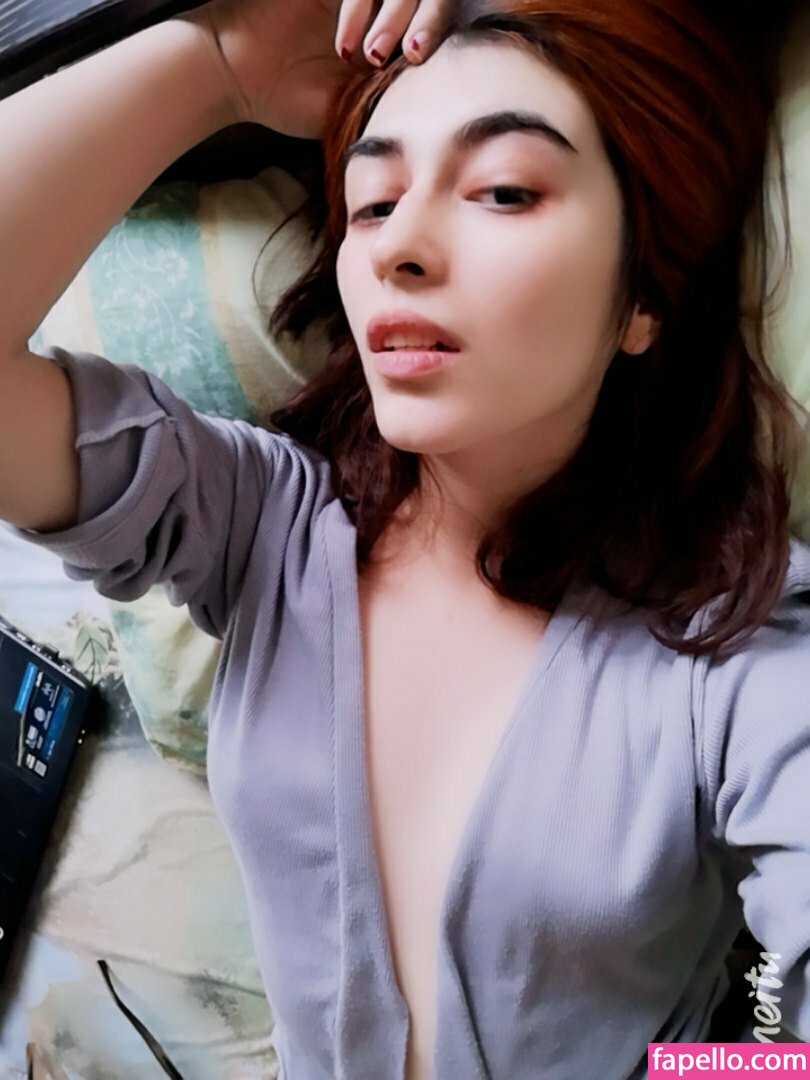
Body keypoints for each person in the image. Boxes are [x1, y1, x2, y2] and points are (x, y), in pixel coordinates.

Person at [1, 0, 809, 1076]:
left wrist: (694, 1069)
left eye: (504, 190)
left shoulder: (736, 647)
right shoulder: (266, 526)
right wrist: (220, 67)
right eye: (373, 201)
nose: (400, 248)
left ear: (644, 297)